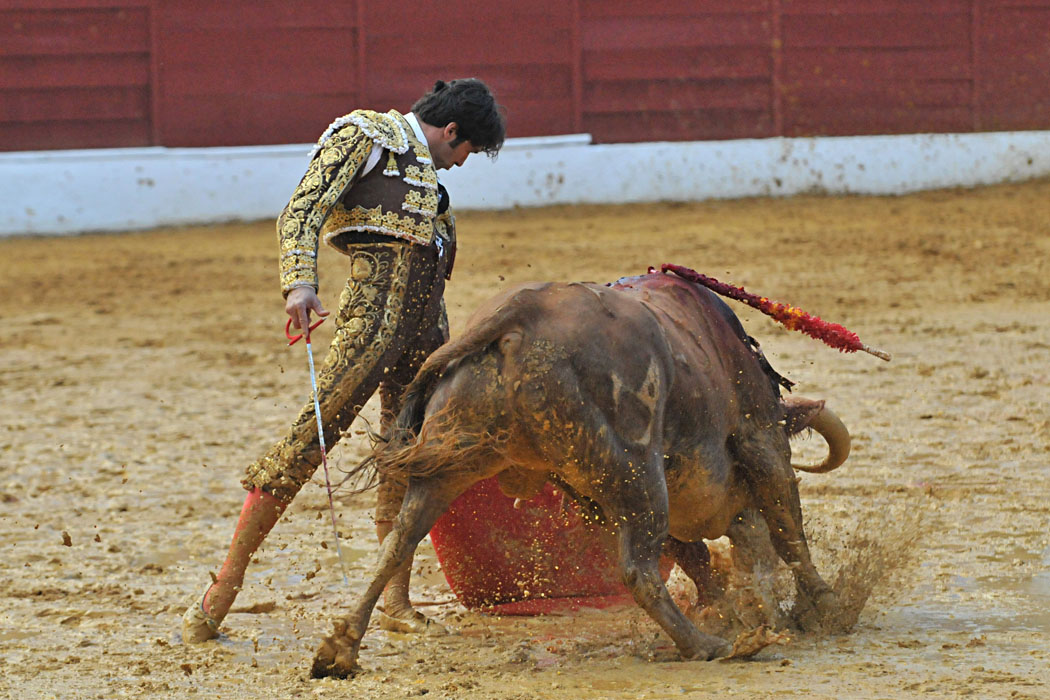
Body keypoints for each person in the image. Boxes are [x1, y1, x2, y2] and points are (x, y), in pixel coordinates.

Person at [183, 78, 506, 643]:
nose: (461, 164)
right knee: (309, 440)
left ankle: (395, 601)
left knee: (407, 452)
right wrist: (298, 284)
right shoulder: (367, 135)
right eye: (465, 151)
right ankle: (220, 594)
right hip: (369, 324)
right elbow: (301, 210)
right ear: (451, 131)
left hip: (427, 331)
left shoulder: (431, 180)